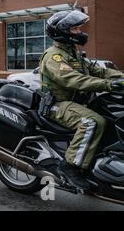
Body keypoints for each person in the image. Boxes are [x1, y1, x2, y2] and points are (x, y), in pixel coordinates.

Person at [40, 10, 124, 190]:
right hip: (58, 105)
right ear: (63, 32)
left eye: (79, 28)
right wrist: (108, 85)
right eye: (75, 29)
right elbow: (73, 80)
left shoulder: (73, 54)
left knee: (110, 115)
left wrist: (121, 77)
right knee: (93, 121)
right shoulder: (54, 56)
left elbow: (100, 71)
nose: (80, 32)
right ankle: (70, 166)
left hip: (77, 103)